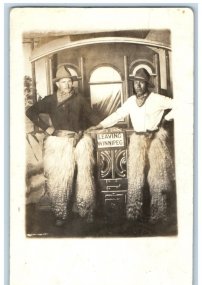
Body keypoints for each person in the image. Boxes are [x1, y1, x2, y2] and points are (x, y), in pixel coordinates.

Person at [89, 68, 175, 224]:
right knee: (136, 178)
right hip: (137, 142)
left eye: (142, 83)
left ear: (147, 84)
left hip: (155, 141)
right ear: (133, 84)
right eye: (136, 83)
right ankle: (135, 213)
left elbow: (180, 104)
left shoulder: (156, 98)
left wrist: (165, 120)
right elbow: (117, 115)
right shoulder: (130, 101)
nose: (138, 86)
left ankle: (159, 214)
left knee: (157, 178)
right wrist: (100, 125)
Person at [26, 65, 101, 226]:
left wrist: (101, 125)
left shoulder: (79, 99)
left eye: (69, 81)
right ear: (57, 84)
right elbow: (30, 111)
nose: (67, 85)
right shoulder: (50, 100)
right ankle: (61, 213)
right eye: (63, 82)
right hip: (58, 143)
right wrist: (46, 128)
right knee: (60, 179)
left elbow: (93, 117)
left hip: (80, 140)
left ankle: (85, 209)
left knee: (85, 176)